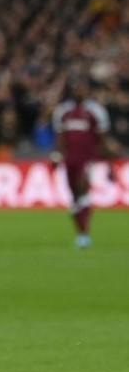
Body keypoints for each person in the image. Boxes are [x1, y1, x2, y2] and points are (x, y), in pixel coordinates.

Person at [50, 81, 113, 249]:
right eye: (77, 88)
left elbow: (102, 139)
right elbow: (60, 138)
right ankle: (80, 233)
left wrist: (109, 164)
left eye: (82, 88)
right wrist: (56, 156)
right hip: (69, 160)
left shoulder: (96, 111)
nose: (79, 91)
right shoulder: (63, 111)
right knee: (74, 198)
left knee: (82, 189)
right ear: (72, 91)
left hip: (87, 160)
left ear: (87, 91)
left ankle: (84, 234)